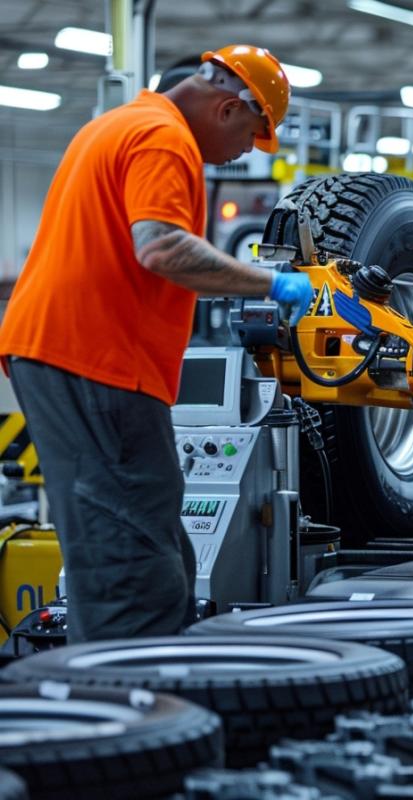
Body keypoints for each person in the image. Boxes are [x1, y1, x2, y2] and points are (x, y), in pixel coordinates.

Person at [0, 45, 313, 642]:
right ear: (228, 108)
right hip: (95, 363)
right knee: (131, 559)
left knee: (138, 538)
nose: (248, 150)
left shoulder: (119, 124)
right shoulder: (163, 137)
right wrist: (271, 282)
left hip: (65, 356)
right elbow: (162, 248)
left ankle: (123, 686)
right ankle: (132, 706)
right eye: (254, 133)